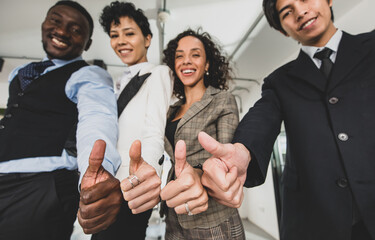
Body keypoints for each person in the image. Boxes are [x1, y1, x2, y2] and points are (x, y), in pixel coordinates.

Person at [197, 0, 375, 239]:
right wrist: (242, 149)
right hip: (317, 222)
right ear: (282, 28)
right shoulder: (280, 81)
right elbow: (261, 120)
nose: (300, 12)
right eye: (287, 11)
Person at [0, 1, 121, 240]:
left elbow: (97, 118)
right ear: (45, 23)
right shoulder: (21, 72)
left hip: (43, 186)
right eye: (56, 21)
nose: (62, 31)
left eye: (76, 29)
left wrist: (97, 171)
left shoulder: (89, 74)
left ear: (87, 44)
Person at [78, 1, 173, 239]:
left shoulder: (159, 72)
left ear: (148, 39)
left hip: (130, 184)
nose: (121, 41)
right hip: (107, 181)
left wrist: (144, 173)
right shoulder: (117, 82)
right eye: (114, 35)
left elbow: (155, 130)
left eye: (129, 33)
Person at [160, 29, 245, 239]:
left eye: (195, 55)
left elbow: (226, 158)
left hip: (212, 216)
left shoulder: (222, 100)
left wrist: (197, 172)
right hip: (174, 212)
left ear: (207, 64)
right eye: (179, 56)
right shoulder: (170, 110)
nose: (186, 61)